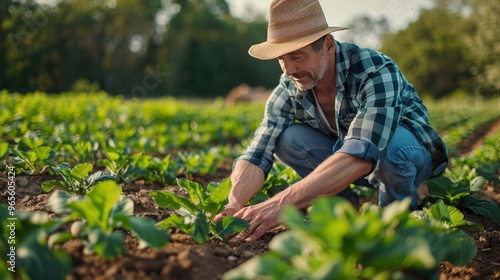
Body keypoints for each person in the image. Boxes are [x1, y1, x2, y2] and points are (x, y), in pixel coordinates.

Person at [214, 0, 448, 242]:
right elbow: (257, 152)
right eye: (281, 59)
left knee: (390, 145)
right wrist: (233, 203)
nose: (288, 69)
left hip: (407, 155)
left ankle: (397, 222)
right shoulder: (289, 87)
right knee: (287, 139)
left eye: (297, 56)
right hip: (351, 159)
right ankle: (342, 207)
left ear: (327, 44)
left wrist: (279, 204)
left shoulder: (375, 71)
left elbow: (361, 152)